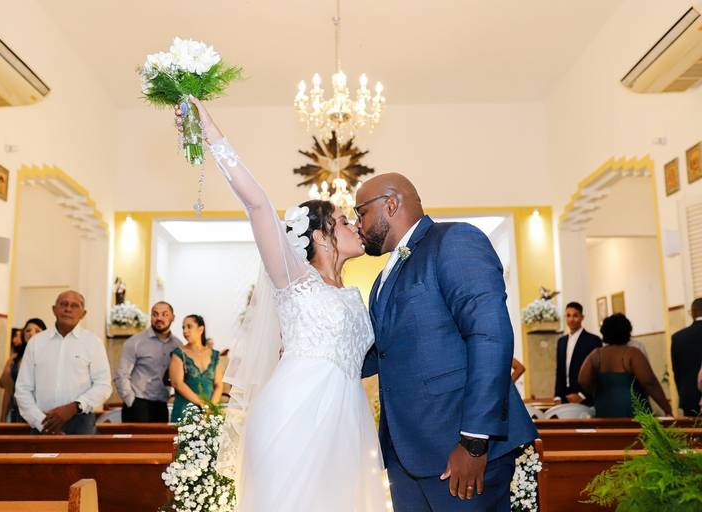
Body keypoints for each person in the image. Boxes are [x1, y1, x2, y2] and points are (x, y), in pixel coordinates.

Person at [188, 97, 386, 511]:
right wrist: (210, 130)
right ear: (319, 236)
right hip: (296, 414)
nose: (355, 226)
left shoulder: (354, 295)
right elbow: (258, 204)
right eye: (343, 221)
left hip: (346, 421)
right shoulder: (294, 279)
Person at [355, 173, 537, 510]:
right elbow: (384, 352)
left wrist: (474, 442)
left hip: (460, 448)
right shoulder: (381, 280)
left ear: (391, 204)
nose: (358, 225)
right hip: (405, 455)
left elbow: (489, 335)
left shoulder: (454, 240)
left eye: (361, 212)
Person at [15, 291, 111, 435]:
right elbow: (23, 389)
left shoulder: (93, 343)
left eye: (74, 306)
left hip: (81, 423)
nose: (68, 309)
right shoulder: (36, 343)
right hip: (42, 422)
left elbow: (103, 385)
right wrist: (42, 423)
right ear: (54, 310)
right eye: (63, 304)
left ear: (83, 314)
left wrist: (74, 407)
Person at [578, 314, 672, 418]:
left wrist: (598, 391)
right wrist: (667, 408)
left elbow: (583, 380)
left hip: (605, 411)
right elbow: (649, 383)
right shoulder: (632, 354)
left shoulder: (596, 355)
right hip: (632, 412)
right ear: (627, 331)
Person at [115, 301, 182, 423]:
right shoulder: (135, 342)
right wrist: (131, 401)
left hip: (161, 405)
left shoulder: (177, 345)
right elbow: (121, 375)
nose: (159, 318)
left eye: (164, 314)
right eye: (155, 314)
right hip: (138, 403)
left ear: (173, 317)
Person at [169, 314, 223, 423]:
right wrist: (203, 404)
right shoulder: (179, 353)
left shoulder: (214, 355)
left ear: (201, 329)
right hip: (184, 412)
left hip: (209, 414)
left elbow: (218, 384)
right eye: (183, 328)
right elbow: (177, 383)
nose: (185, 331)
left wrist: (211, 408)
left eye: (189, 327)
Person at [554, 302, 602, 405]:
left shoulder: (593, 340)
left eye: (575, 315)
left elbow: (597, 370)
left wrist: (582, 395)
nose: (571, 319)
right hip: (564, 397)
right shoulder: (561, 341)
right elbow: (559, 370)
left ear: (582, 317)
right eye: (568, 315)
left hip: (586, 397)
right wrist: (557, 396)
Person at [0, 319, 46, 422]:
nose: (31, 333)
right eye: (28, 330)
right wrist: (2, 417)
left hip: (39, 413)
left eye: (37, 331)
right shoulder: (15, 358)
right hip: (16, 411)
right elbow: (7, 389)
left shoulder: (48, 358)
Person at [671, 298, 702, 416]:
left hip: (689, 398)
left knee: (692, 428)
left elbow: (676, 371)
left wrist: (683, 393)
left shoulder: (678, 338)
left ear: (692, 313)